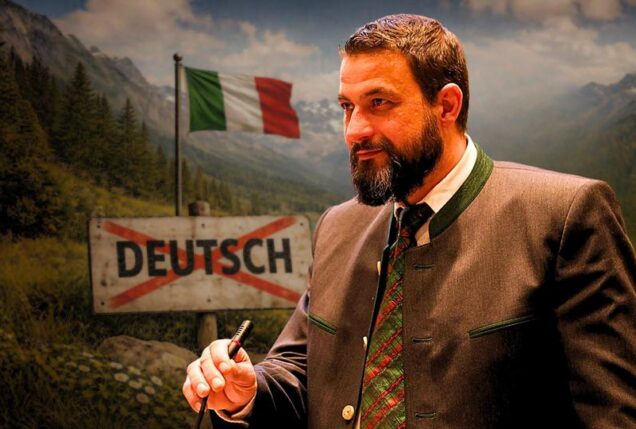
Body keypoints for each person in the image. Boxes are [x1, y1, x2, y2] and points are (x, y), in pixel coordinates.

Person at [183, 14, 636, 429]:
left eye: (379, 102)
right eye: (347, 107)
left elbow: (611, 413)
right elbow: (303, 371)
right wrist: (248, 391)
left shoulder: (564, 216)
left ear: (447, 106)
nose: (355, 130)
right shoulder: (337, 227)